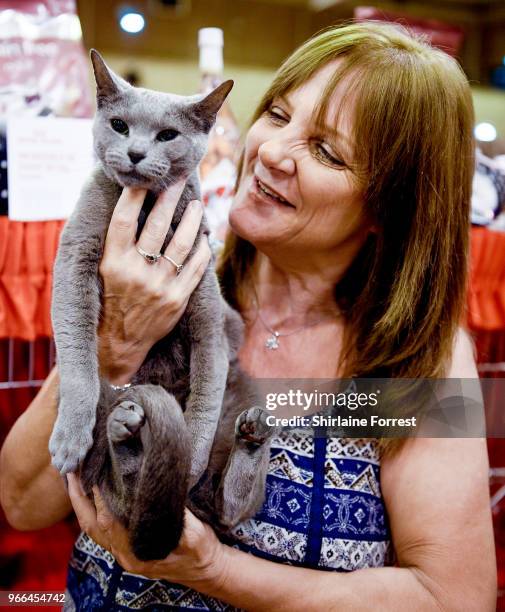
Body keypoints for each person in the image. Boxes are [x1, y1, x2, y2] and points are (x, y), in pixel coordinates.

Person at [0, 22, 496, 610]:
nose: (271, 152)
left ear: (390, 207)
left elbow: (453, 596)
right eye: (279, 115)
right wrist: (115, 346)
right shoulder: (164, 286)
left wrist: (213, 569)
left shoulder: (416, 357)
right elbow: (22, 502)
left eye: (326, 151)